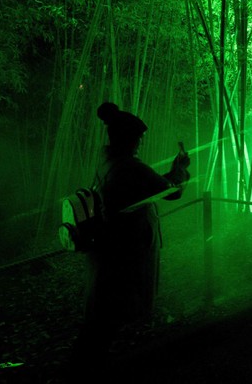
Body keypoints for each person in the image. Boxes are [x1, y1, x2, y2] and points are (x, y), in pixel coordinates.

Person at [70, 101, 190, 369]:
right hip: (124, 256)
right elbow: (172, 191)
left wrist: (173, 172)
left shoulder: (107, 162)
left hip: (106, 253)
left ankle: (85, 365)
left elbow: (151, 186)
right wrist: (181, 169)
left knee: (100, 319)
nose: (140, 144)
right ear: (126, 138)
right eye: (138, 138)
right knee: (106, 321)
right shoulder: (131, 167)